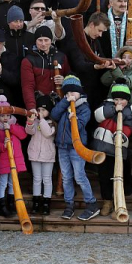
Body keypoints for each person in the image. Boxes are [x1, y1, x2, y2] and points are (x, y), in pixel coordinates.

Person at [50, 75, 99, 221]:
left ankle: (91, 204)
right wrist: (65, 101)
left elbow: (78, 126)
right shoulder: (64, 104)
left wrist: (74, 119)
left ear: (80, 93)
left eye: (74, 92)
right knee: (66, 177)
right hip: (62, 145)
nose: (71, 95)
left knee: (79, 176)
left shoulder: (84, 108)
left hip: (77, 147)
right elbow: (54, 114)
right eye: (67, 93)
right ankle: (69, 204)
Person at [91, 80, 132, 218]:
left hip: (117, 151)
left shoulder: (129, 110)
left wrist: (121, 135)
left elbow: (130, 127)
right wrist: (113, 109)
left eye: (122, 99)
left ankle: (119, 204)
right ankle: (107, 202)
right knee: (104, 177)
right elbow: (98, 116)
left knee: (118, 177)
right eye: (116, 99)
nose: (119, 102)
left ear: (127, 100)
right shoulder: (106, 105)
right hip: (103, 148)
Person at [65, 12, 117, 112]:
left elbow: (102, 58)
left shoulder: (95, 41)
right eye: (99, 30)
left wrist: (113, 62)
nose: (100, 35)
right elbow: (78, 65)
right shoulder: (76, 41)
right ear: (92, 25)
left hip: (95, 89)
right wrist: (95, 66)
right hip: (81, 89)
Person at [20, 26, 70, 110]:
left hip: (60, 102)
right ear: (35, 41)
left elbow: (70, 77)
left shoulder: (61, 57)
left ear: (51, 40)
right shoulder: (28, 60)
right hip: (40, 104)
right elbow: (28, 87)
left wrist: (64, 80)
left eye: (46, 40)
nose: (43, 44)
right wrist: (31, 107)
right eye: (40, 40)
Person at [0, 95, 27, 217]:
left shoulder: (14, 125)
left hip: (14, 160)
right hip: (4, 160)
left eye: (7, 116)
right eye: (2, 116)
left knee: (13, 182)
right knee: (3, 183)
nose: (5, 118)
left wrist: (11, 128)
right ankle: (1, 206)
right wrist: (3, 146)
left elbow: (23, 135)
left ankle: (12, 203)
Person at [25, 95, 56, 216]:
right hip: (35, 153)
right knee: (37, 179)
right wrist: (30, 121)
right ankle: (36, 202)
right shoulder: (35, 120)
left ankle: (47, 202)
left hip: (48, 155)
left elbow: (48, 133)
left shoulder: (52, 123)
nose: (40, 112)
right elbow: (29, 131)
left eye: (43, 109)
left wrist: (41, 119)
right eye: (38, 110)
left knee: (47, 179)